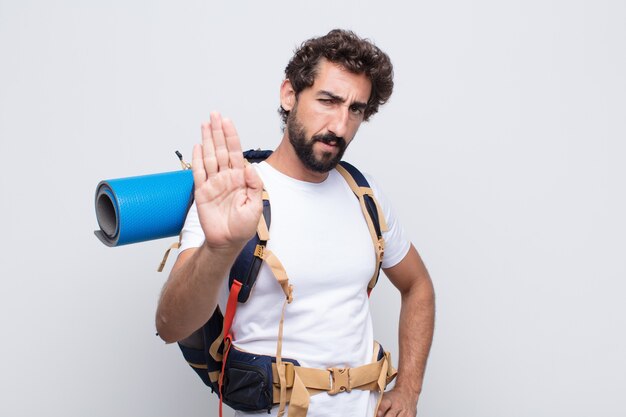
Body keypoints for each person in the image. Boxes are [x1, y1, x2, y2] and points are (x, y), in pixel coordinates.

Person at [156, 29, 435, 417]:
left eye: (355, 109)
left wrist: (408, 390)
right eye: (328, 100)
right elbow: (170, 324)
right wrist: (219, 248)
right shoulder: (233, 193)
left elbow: (418, 285)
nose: (340, 125)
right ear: (289, 94)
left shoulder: (363, 194)